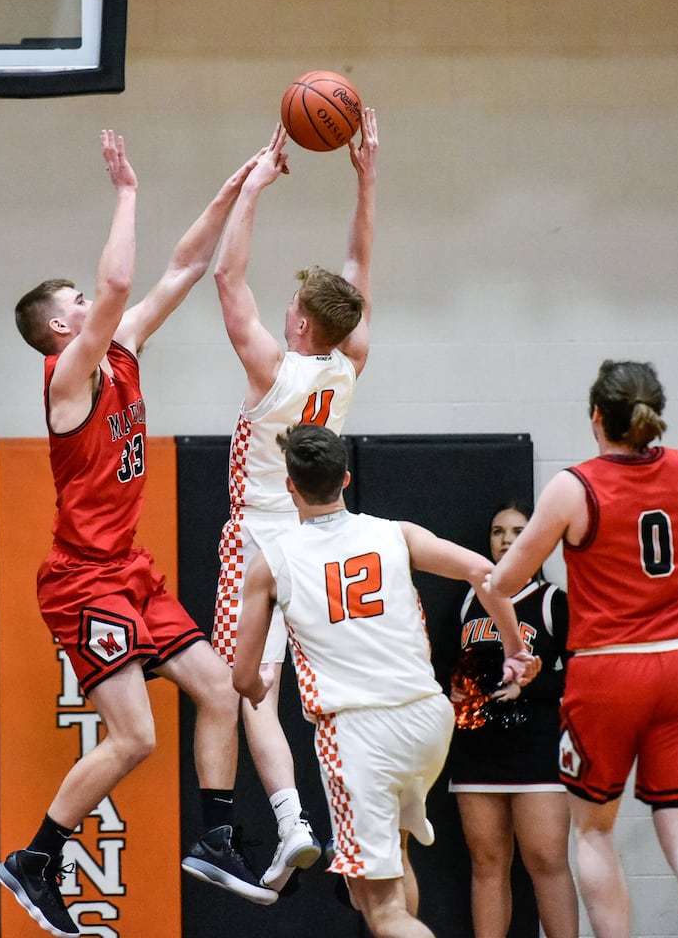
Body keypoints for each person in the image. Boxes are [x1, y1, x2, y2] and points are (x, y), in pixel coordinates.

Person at [0, 131, 277, 938]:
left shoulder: (118, 351)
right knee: (136, 738)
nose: (92, 305)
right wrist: (126, 191)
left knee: (221, 690)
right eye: (76, 304)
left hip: (128, 568)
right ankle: (37, 860)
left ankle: (216, 839)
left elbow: (181, 270)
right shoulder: (68, 377)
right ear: (57, 328)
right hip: (83, 579)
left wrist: (235, 190)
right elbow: (118, 282)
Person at [233, 424, 533, 938]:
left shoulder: (270, 563)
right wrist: (514, 647)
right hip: (427, 720)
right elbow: (485, 571)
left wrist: (256, 687)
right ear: (345, 479)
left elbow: (243, 675)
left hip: (360, 736)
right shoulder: (396, 532)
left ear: (290, 487)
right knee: (393, 861)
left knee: (381, 908)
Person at [488, 360, 678, 938]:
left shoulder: (573, 486)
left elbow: (504, 583)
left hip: (607, 670)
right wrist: (668, 577)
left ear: (597, 416)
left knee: (595, 831)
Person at [210, 108, 378, 889]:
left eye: (296, 304)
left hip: (261, 544)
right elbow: (358, 272)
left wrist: (253, 186)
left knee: (248, 690)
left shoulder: (273, 371)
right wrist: (366, 179)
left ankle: (288, 823)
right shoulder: (348, 365)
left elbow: (224, 277)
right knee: (318, 697)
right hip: (322, 540)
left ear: (303, 322)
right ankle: (338, 824)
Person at [447, 501, 578, 938]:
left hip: (536, 748)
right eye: (498, 531)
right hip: (476, 748)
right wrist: (452, 690)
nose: (506, 540)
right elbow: (447, 665)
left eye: (519, 531)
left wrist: (530, 687)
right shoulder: (468, 599)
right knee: (487, 864)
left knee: (546, 862)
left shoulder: (553, 601)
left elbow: (583, 679)